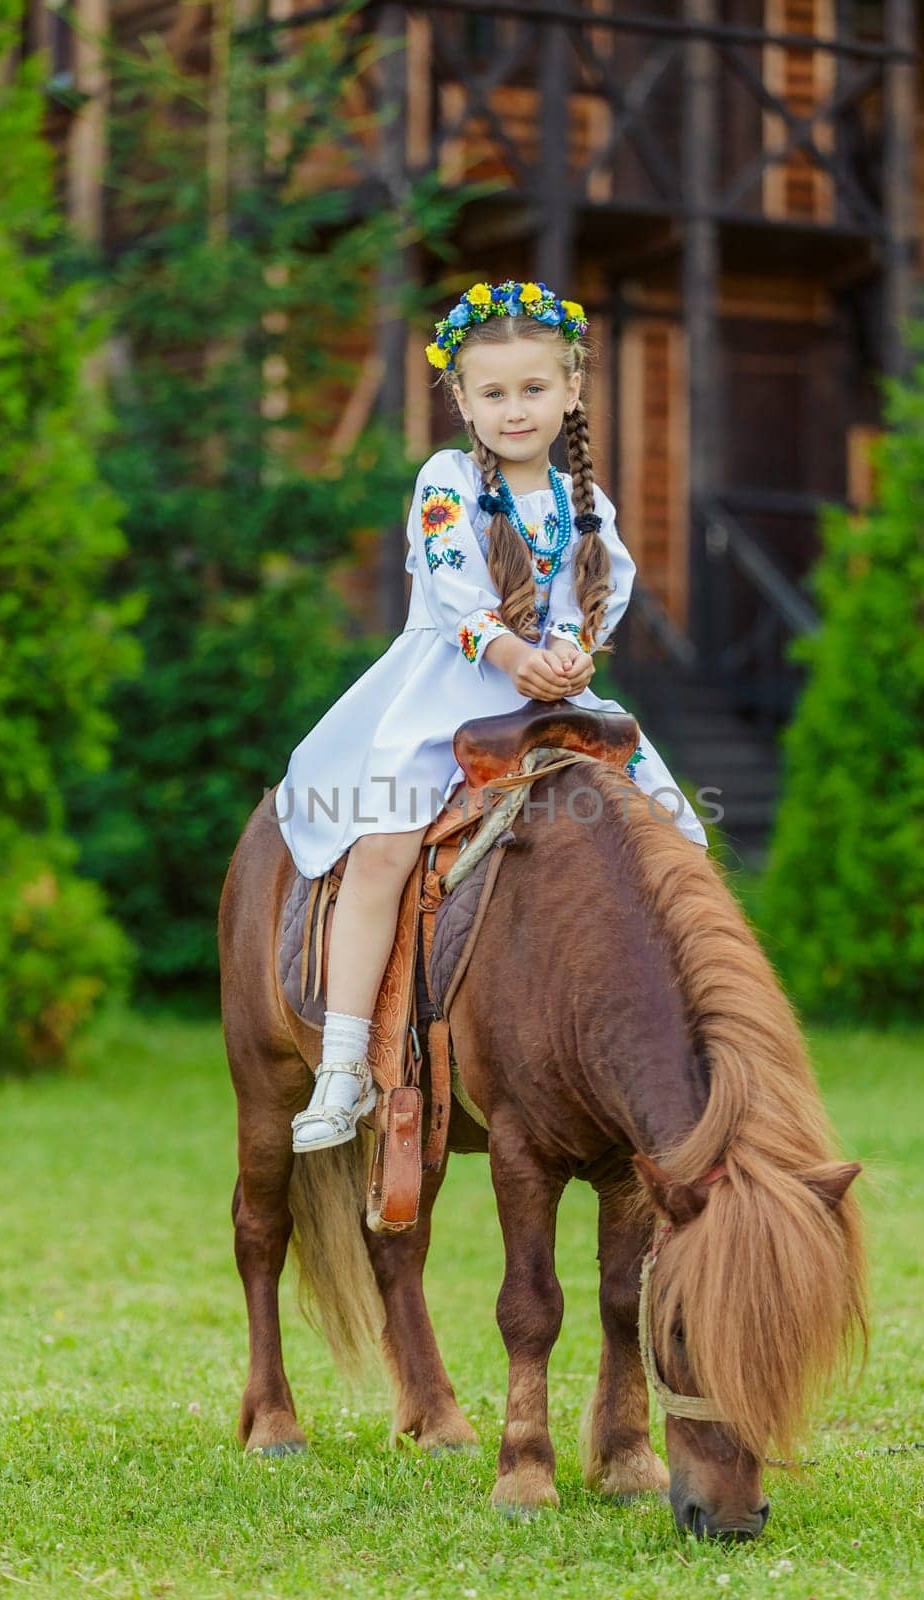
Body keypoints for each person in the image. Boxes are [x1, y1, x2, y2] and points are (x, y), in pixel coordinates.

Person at [275, 278, 706, 1153]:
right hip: (448, 692)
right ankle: (347, 1060)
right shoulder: (445, 481)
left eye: (534, 389)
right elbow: (455, 594)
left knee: (674, 837)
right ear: (462, 400)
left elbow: (598, 589)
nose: (516, 409)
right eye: (495, 393)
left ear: (571, 392)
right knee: (386, 841)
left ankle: (691, 1038)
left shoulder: (587, 501)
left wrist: (574, 651)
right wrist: (517, 656)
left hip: (552, 697)